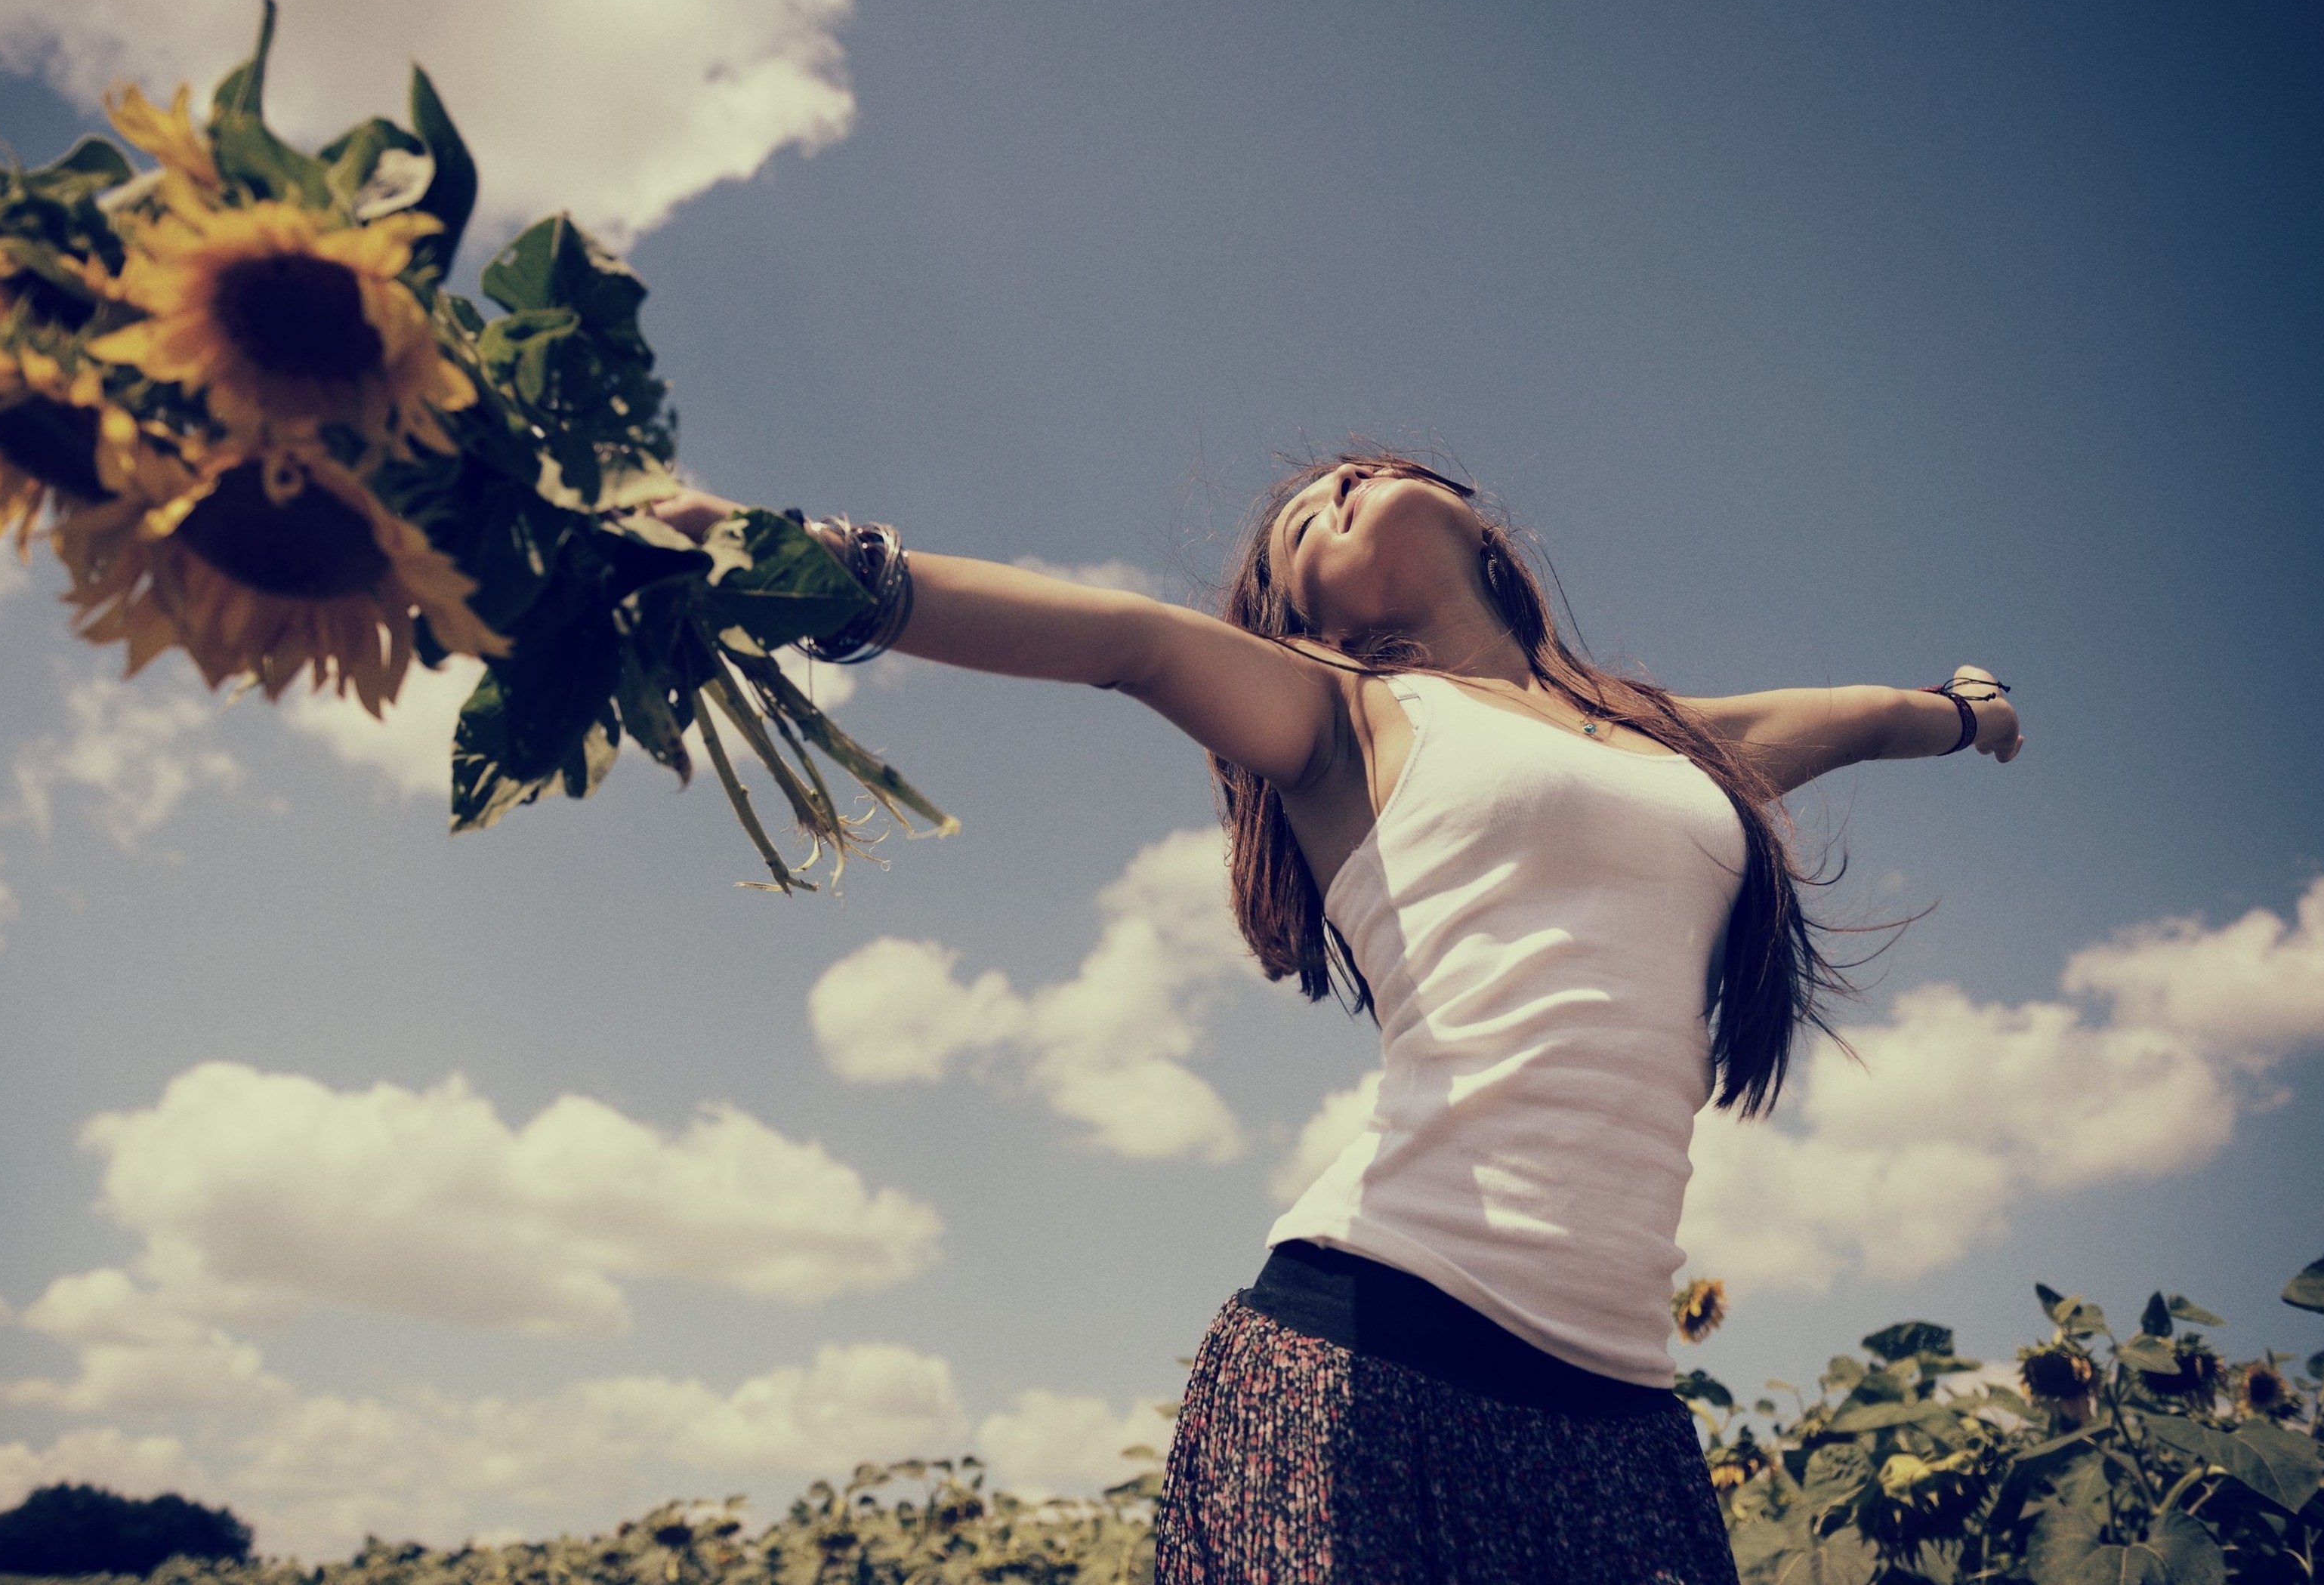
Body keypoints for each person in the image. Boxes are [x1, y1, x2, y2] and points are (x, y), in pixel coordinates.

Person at [656, 453, 2022, 1583]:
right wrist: (779, 560)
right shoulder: (1347, 716)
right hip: (1370, 1351)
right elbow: (1123, 643)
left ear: (1488, 529)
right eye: (1302, 518)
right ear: (1297, 619)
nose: (1339, 487)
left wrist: (1959, 716)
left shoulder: (1668, 740)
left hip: (1619, 1415)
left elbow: (1843, 718)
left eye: (1370, 473)